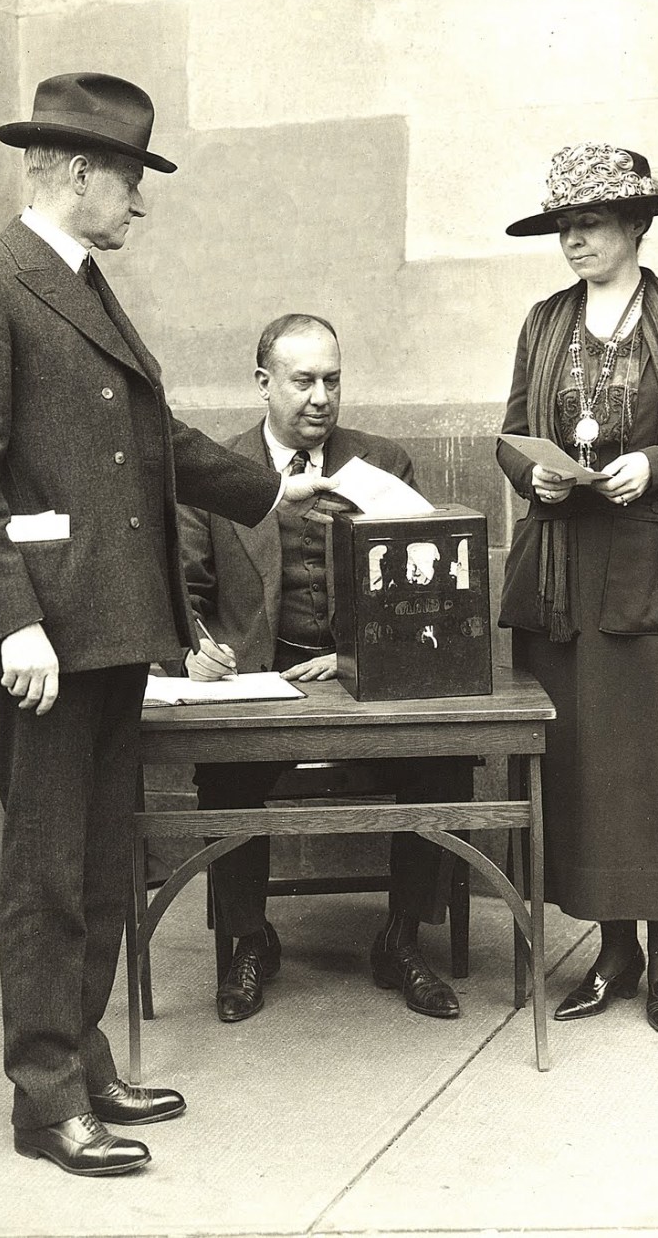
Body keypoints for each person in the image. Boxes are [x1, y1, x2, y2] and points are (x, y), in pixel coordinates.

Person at [0, 75, 334, 1178]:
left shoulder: (83, 286)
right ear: (82, 172)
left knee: (102, 866)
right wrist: (10, 623)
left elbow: (151, 446)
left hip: (109, 628)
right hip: (47, 641)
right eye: (134, 174)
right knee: (45, 870)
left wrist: (268, 486)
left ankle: (84, 1055)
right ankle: (43, 1096)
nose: (141, 196)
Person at [496, 142, 658, 1035]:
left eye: (592, 223)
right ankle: (611, 953)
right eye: (565, 225)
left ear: (637, 226)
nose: (575, 239)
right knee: (585, 766)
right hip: (566, 574)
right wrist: (531, 477)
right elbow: (512, 433)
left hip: (656, 573)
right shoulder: (543, 323)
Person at [181, 313, 469, 1024]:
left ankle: (402, 940)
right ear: (263, 384)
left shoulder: (381, 463)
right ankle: (251, 939)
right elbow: (184, 593)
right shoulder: (217, 474)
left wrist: (347, 657)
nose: (321, 397)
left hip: (358, 679)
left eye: (332, 380)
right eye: (303, 380)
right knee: (226, 766)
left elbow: (417, 591)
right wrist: (195, 647)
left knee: (443, 751)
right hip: (260, 681)